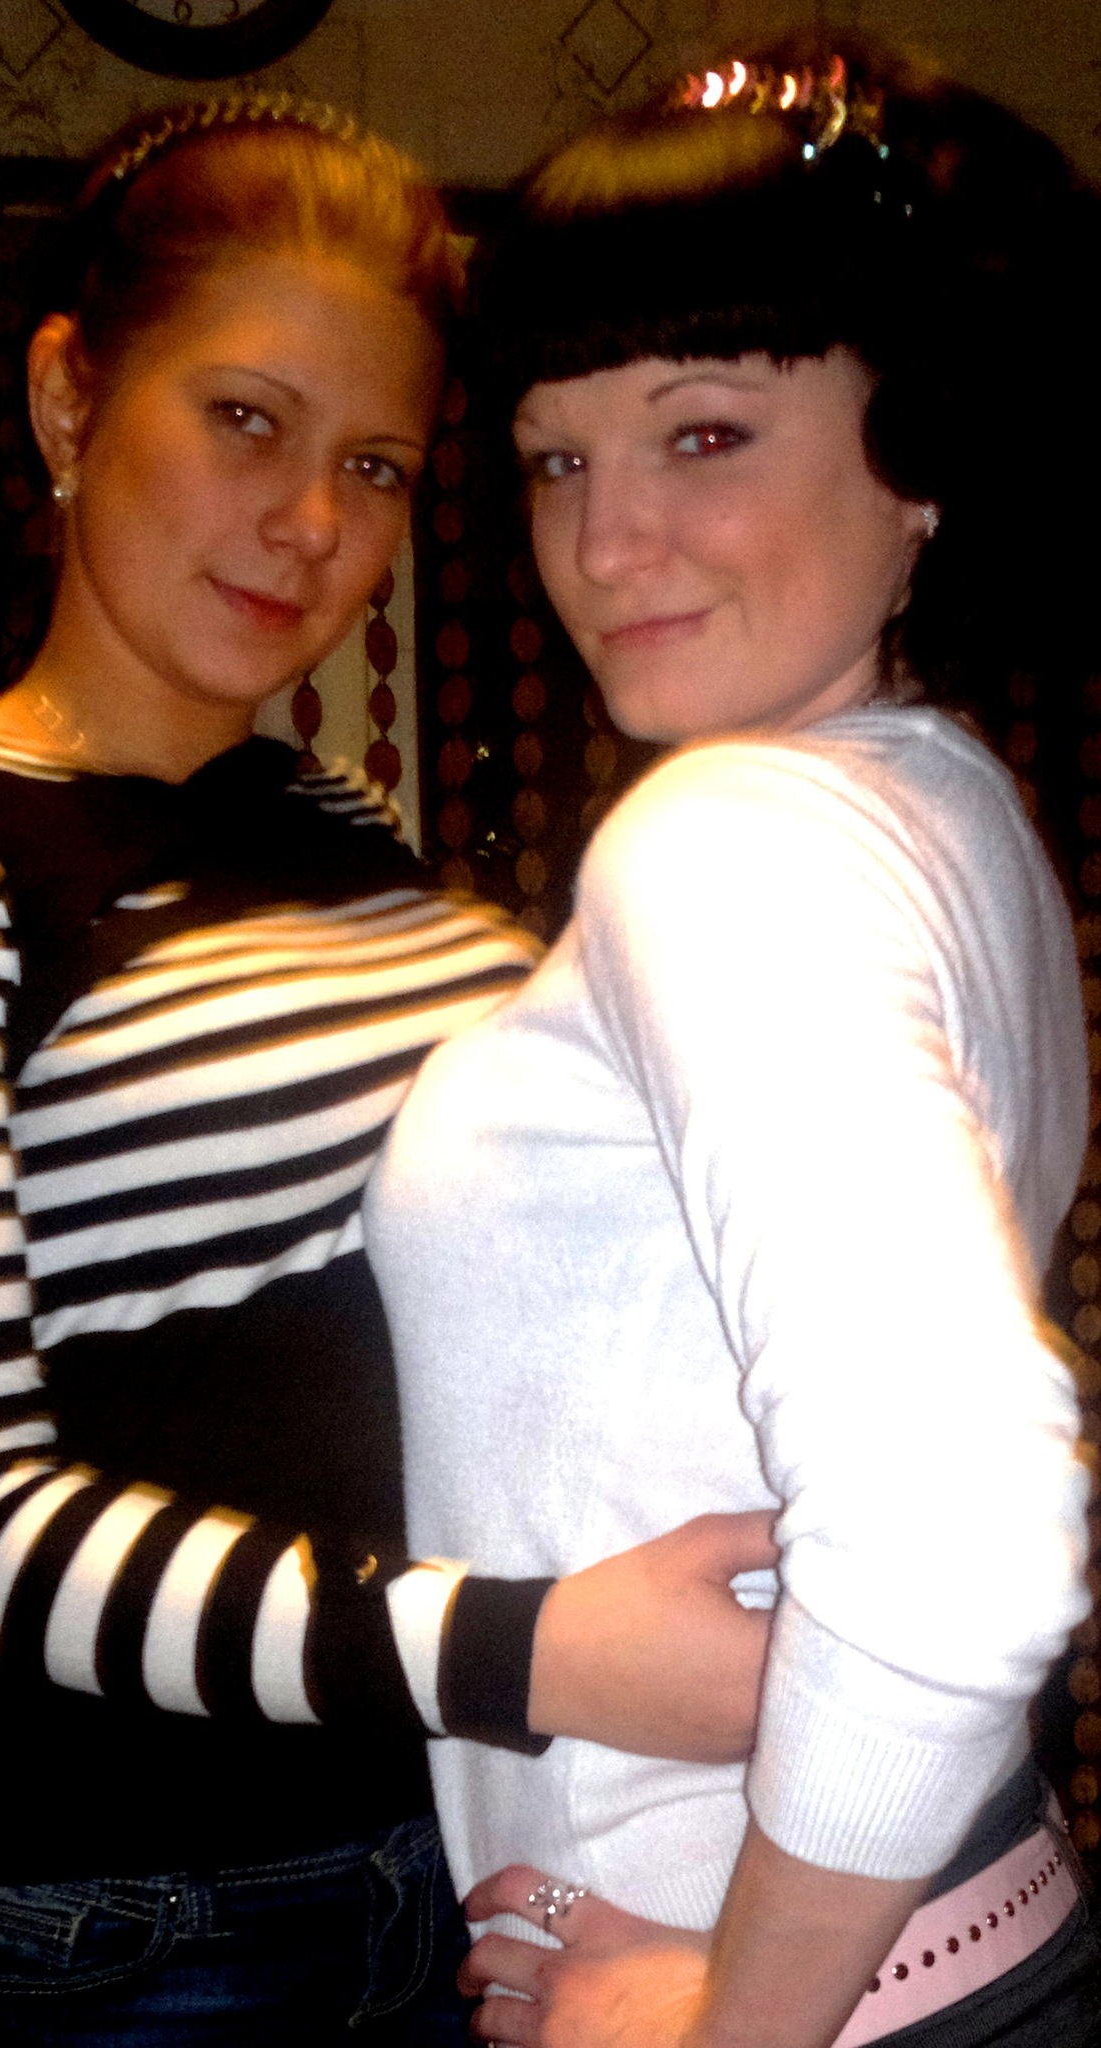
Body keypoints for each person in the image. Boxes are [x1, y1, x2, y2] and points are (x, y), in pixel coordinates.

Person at [0, 94, 775, 2044]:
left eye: (374, 464)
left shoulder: (335, 821)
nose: (314, 524)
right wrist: (537, 1652)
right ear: (68, 401)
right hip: (125, 1925)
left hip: (454, 1857)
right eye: (246, 418)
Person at [365, 36, 1100, 2048]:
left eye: (703, 434)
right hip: (965, 1932)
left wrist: (729, 2032)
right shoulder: (947, 808)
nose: (604, 546)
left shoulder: (729, 839)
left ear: (920, 454)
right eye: (555, 459)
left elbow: (957, 1529)